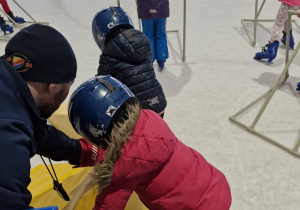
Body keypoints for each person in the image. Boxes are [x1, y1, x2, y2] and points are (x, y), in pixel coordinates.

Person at [68, 75, 232, 210]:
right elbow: (132, 150)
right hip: (216, 187)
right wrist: (87, 152)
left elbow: (107, 206)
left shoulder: (121, 171)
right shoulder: (149, 118)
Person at [0, 24, 101, 209]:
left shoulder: (8, 82)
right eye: (67, 87)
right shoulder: (9, 135)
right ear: (52, 87)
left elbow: (35, 131)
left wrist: (80, 152)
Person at [92, 6, 167, 117]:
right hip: (158, 102)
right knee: (154, 132)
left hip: (136, 111)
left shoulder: (108, 54)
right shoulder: (144, 41)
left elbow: (103, 84)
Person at [136, 0, 169, 70]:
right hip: (161, 9)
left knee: (148, 36)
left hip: (145, 9)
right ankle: (161, 59)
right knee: (160, 35)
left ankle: (149, 59)